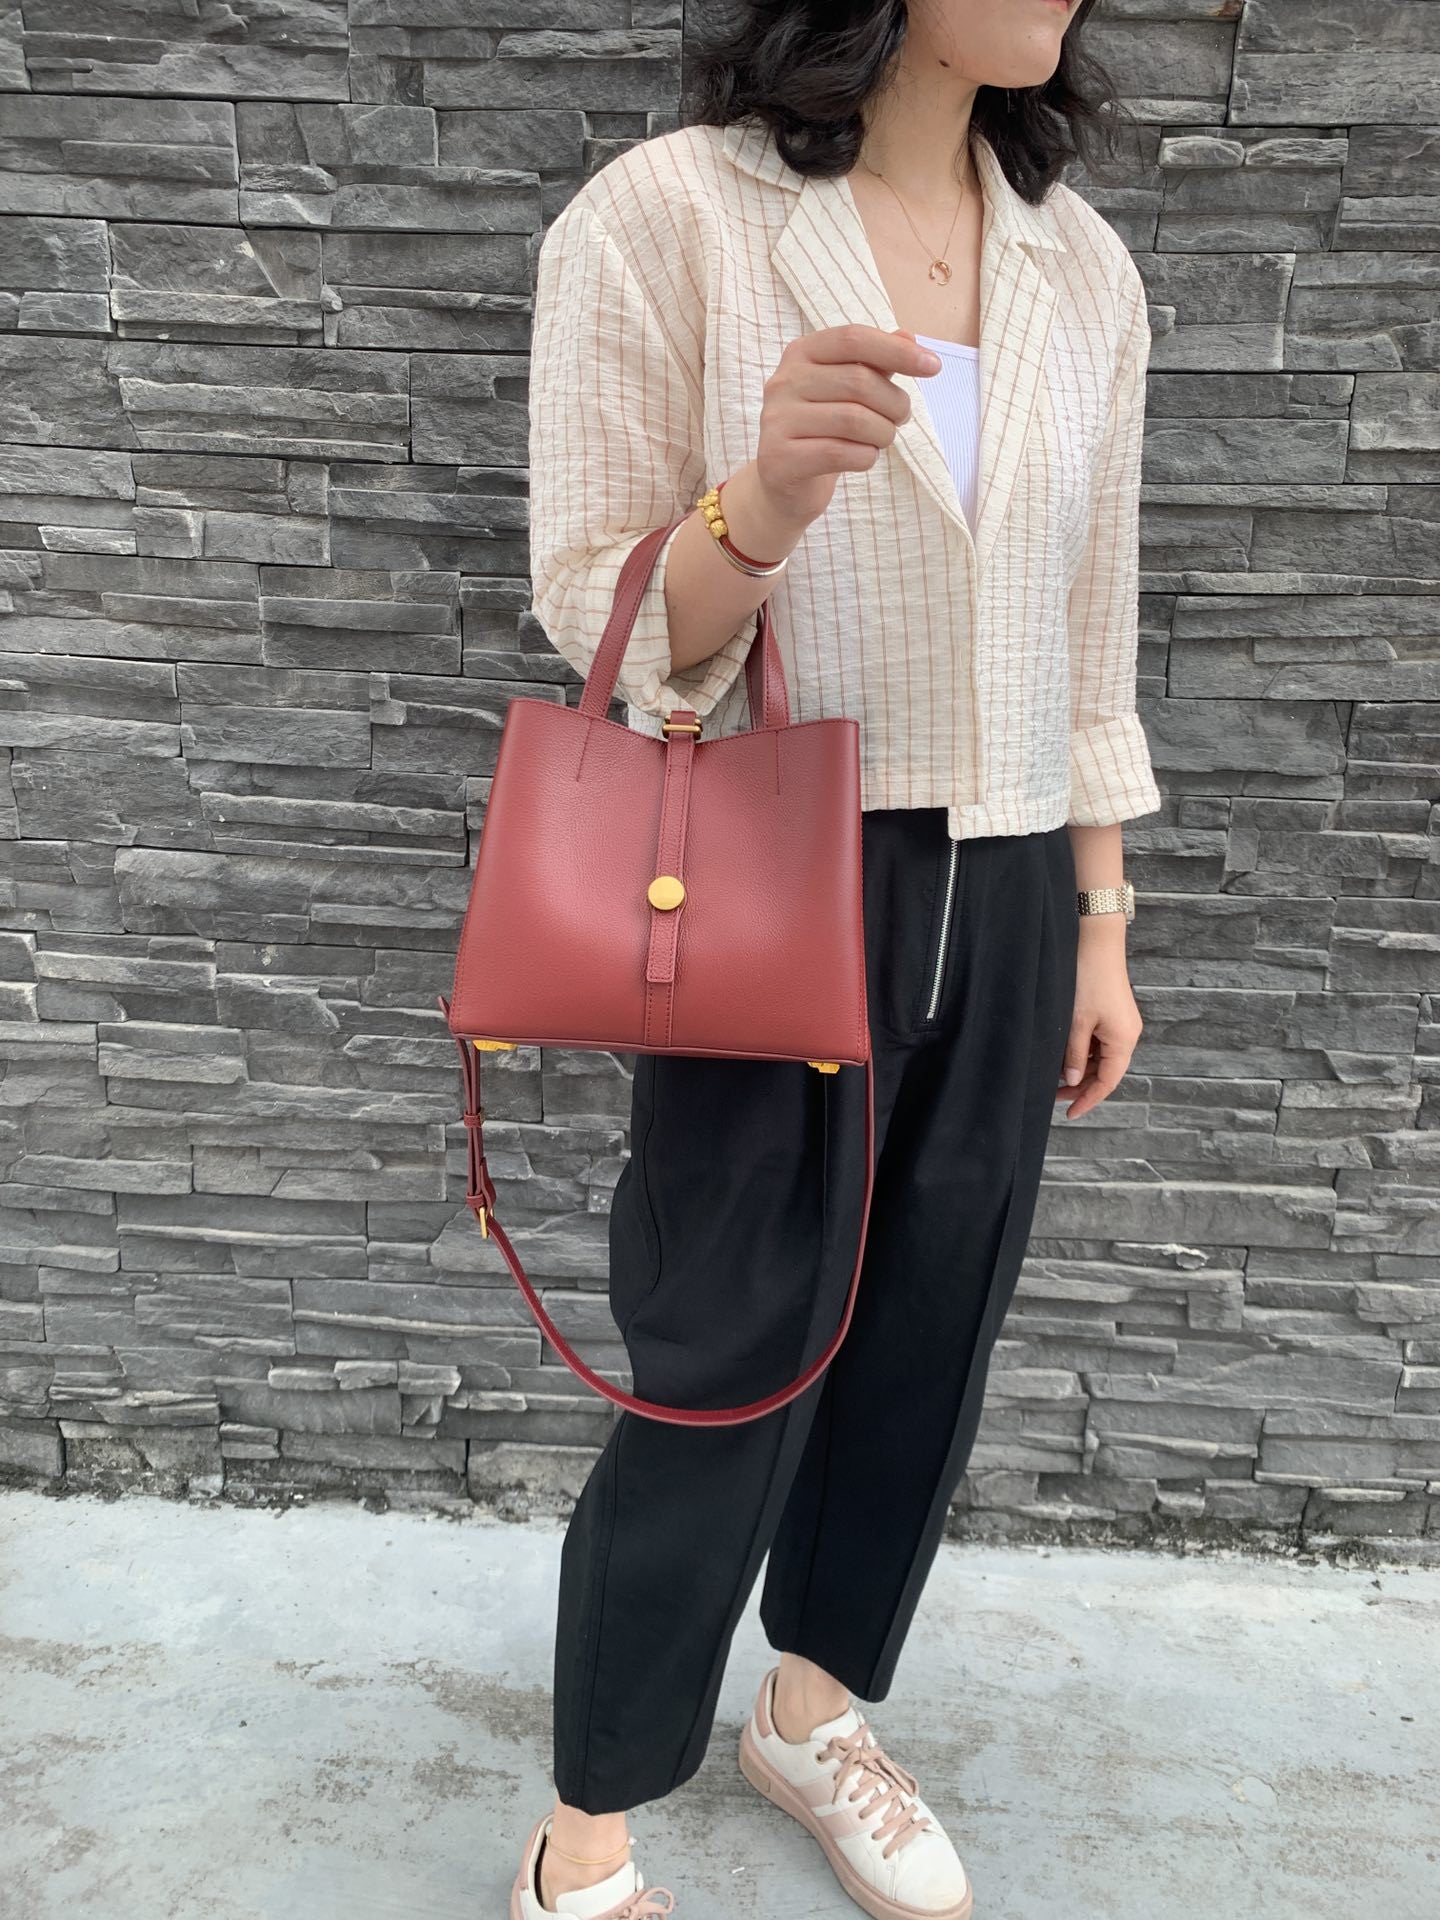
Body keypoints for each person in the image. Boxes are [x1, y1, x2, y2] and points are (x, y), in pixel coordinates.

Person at [509, 2, 1161, 1914]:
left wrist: (1105, 914)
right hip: (774, 865)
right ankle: (593, 1805)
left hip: (1020, 864)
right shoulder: (664, 220)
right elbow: (598, 605)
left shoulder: (1079, 262)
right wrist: (766, 498)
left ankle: (810, 1704)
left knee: (932, 1330)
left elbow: (1092, 613)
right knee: (727, 1350)